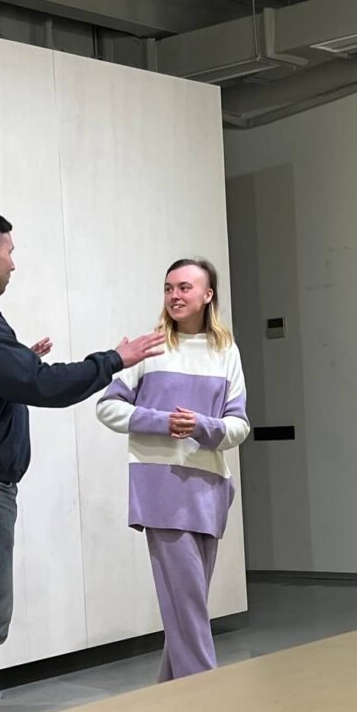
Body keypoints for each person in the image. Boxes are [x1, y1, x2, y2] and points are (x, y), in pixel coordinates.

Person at [0, 210, 164, 712]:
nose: (13, 264)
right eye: (10, 252)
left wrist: (17, 362)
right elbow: (42, 387)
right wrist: (115, 359)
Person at [96, 258, 249, 682]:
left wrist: (201, 426)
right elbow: (107, 407)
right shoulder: (149, 348)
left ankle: (168, 695)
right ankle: (206, 692)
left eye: (184, 287)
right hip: (161, 491)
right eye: (169, 288)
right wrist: (162, 422)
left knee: (187, 607)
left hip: (209, 491)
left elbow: (239, 426)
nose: (174, 295)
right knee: (188, 608)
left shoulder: (226, 352)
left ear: (208, 295)